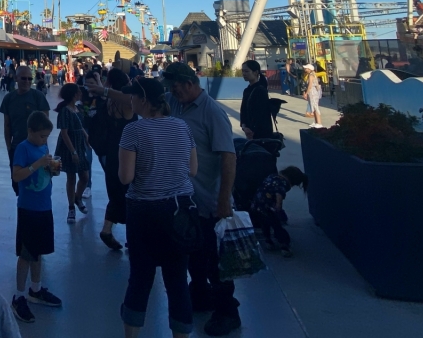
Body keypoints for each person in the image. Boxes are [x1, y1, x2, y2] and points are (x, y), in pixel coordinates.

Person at [117, 77, 198, 338]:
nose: (130, 101)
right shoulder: (182, 127)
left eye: (133, 97)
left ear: (144, 100)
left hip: (144, 212)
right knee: (177, 282)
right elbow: (193, 170)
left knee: (140, 279)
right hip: (180, 211)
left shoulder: (134, 131)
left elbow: (125, 177)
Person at [164, 63, 240, 336]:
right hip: (185, 201)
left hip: (209, 202)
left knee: (214, 260)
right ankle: (200, 295)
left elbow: (228, 157)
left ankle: (227, 312)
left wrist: (223, 201)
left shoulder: (213, 113)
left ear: (189, 83)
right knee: (193, 255)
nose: (172, 91)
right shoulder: (175, 104)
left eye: (175, 85)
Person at [9, 111, 62, 324]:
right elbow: (16, 175)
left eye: (46, 137)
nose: (44, 140)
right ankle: (18, 295)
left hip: (44, 207)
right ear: (30, 131)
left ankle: (36, 289)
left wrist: (52, 169)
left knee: (38, 251)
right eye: (41, 136)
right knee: (26, 254)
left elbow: (45, 172)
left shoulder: (43, 147)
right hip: (28, 208)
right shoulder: (23, 148)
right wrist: (37, 164)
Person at [92, 68, 136, 250]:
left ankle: (107, 228)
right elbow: (133, 100)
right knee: (131, 194)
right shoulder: (125, 103)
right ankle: (133, 238)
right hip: (127, 152)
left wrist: (102, 87)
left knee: (116, 193)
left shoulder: (109, 101)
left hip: (111, 152)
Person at [0, 65, 50, 195]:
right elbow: (7, 125)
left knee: (39, 181)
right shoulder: (9, 98)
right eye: (23, 78)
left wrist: (43, 144)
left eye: (29, 78)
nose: (27, 81)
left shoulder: (38, 96)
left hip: (37, 147)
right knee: (18, 183)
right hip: (17, 147)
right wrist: (9, 147)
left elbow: (46, 124)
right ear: (16, 78)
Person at [250, 166, 308, 256]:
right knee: (277, 226)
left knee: (264, 224)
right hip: (268, 208)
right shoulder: (282, 183)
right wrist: (278, 209)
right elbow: (279, 197)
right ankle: (284, 246)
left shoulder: (272, 176)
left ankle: (268, 241)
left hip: (257, 205)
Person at [53, 84, 89, 224]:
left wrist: (86, 137)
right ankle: (71, 207)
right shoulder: (65, 111)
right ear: (73, 94)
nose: (80, 93)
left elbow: (80, 126)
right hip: (69, 147)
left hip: (79, 144)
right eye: (78, 92)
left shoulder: (77, 109)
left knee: (84, 176)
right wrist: (73, 151)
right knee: (71, 177)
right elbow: (64, 133)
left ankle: (77, 197)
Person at [239, 60, 274, 140]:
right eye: (243, 71)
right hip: (250, 132)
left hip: (261, 134)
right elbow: (243, 110)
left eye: (247, 71)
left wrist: (252, 130)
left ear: (255, 72)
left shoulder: (260, 90)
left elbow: (261, 115)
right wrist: (244, 127)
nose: (244, 74)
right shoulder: (247, 90)